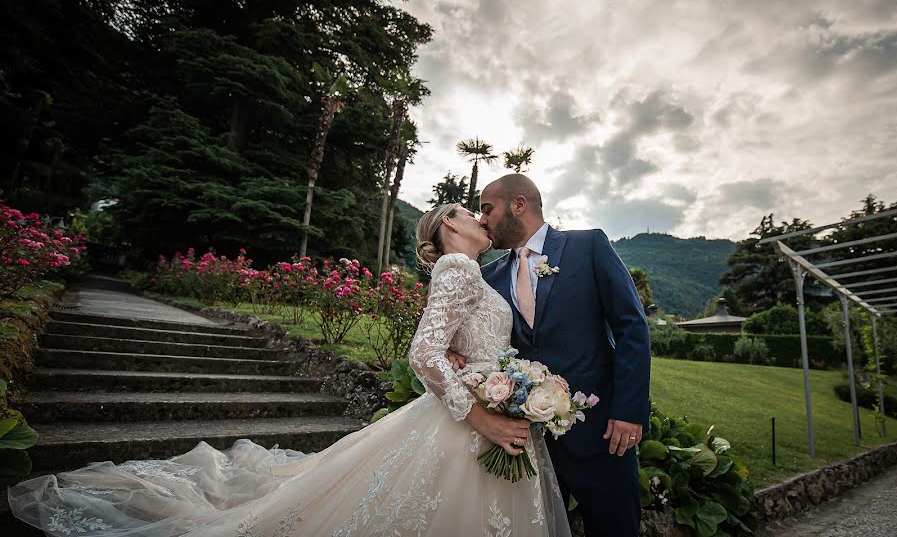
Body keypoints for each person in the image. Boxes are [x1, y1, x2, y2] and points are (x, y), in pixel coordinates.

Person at [9, 202, 572, 537]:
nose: (480, 216)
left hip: (488, 405)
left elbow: (450, 346)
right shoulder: (457, 266)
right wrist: (482, 415)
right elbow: (422, 354)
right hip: (471, 421)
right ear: (449, 226)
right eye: (468, 211)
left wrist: (500, 383)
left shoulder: (474, 272)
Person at [449, 174, 651, 537]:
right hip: (529, 442)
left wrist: (629, 412)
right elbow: (474, 332)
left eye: (487, 209)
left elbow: (631, 327)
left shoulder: (588, 246)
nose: (482, 220)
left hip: (603, 433)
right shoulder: (488, 276)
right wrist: (452, 349)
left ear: (519, 205)